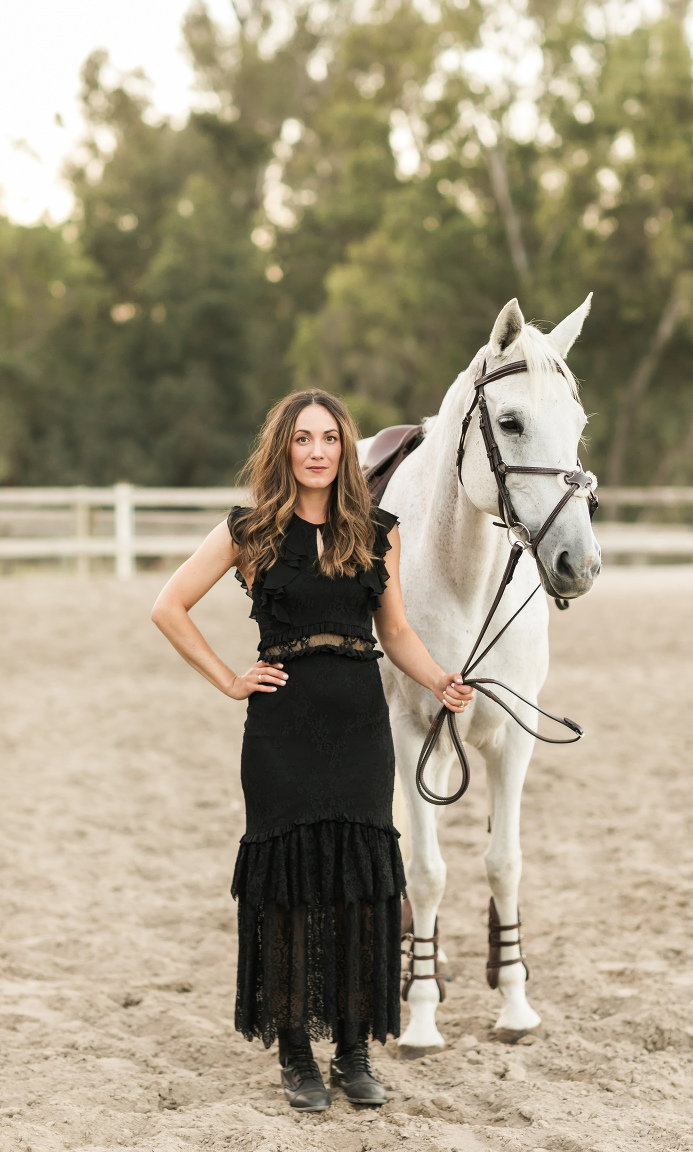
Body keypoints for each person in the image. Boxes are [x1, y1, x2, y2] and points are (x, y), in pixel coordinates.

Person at [150, 389, 472, 1112]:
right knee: (291, 889)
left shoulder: (378, 531)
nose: (319, 451)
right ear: (284, 449)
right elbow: (168, 606)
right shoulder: (250, 530)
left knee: (360, 889)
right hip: (280, 730)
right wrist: (230, 679)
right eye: (304, 439)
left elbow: (396, 633)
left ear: (345, 449)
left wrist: (439, 681)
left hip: (361, 725)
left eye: (330, 438)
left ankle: (355, 1051)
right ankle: (296, 1052)